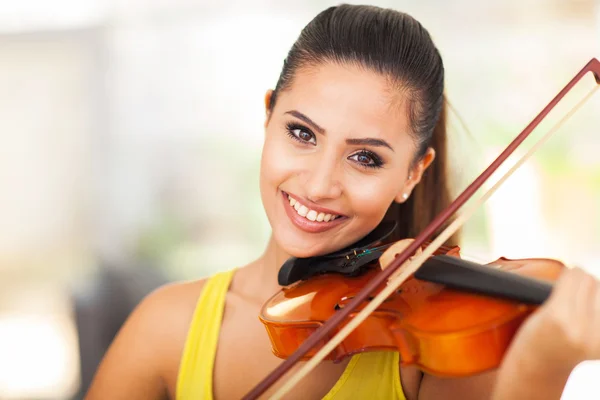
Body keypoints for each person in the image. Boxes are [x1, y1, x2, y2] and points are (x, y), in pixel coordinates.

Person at [86, 4, 600, 399]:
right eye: (301, 134)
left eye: (366, 159)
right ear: (269, 117)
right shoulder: (165, 328)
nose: (318, 184)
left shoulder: (429, 355)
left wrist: (542, 364)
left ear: (411, 174)